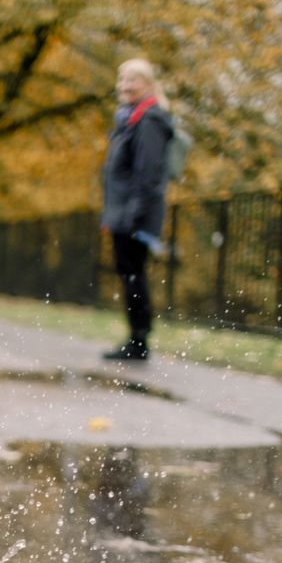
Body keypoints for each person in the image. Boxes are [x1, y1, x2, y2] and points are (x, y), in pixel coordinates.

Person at [100, 58, 174, 361]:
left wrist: (132, 216)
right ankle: (137, 338)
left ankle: (139, 341)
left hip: (134, 216)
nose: (125, 86)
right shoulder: (131, 118)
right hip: (123, 213)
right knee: (129, 274)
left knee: (134, 275)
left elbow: (149, 173)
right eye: (122, 79)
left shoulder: (149, 120)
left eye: (133, 80)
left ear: (148, 84)